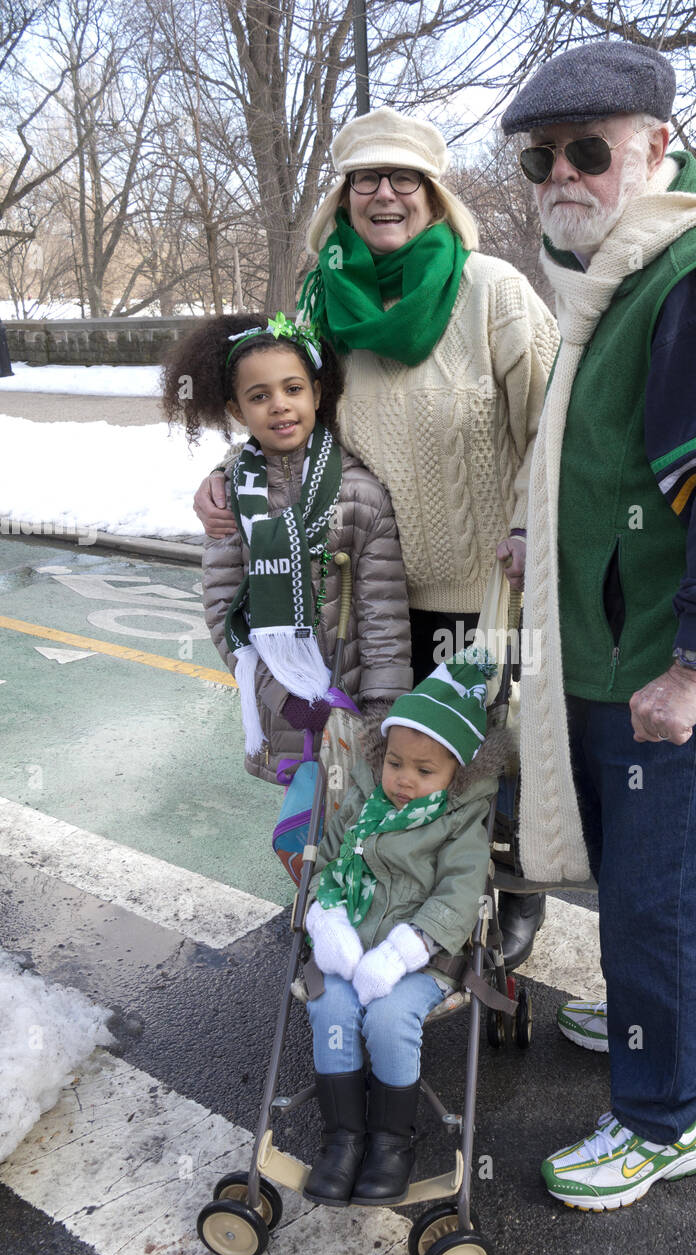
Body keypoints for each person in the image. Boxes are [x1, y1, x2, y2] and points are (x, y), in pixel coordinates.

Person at [500, 39, 696, 1210]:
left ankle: (663, 1115)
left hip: (665, 668)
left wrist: (694, 665)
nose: (562, 176)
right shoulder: (621, 278)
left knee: (667, 895)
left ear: (656, 151)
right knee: (646, 883)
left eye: (590, 150)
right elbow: (615, 466)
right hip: (619, 649)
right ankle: (653, 1026)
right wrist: (548, 539)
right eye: (542, 158)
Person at [193, 108, 560, 966]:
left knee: (496, 763)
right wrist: (225, 476)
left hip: (494, 598)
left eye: (404, 178)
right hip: (374, 599)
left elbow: (557, 425)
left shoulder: (493, 292)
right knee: (390, 771)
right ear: (343, 198)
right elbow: (284, 414)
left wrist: (524, 525)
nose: (384, 194)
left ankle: (509, 893)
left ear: (434, 197)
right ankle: (387, 907)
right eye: (366, 179)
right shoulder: (322, 306)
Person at [162, 312, 412, 782]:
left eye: (293, 389)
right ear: (237, 411)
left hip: (356, 708)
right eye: (259, 396)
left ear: (317, 393)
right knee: (304, 840)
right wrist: (288, 701)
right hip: (283, 715)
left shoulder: (360, 493)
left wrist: (382, 714)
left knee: (356, 837)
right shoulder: (231, 498)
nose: (279, 405)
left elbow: (385, 615)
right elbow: (224, 613)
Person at [301, 649, 507, 1206]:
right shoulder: (363, 806)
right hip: (349, 948)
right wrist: (329, 922)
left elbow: (458, 897)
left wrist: (398, 953)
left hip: (422, 958)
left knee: (391, 1018)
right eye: (395, 763)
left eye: (424, 771)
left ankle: (393, 1143)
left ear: (456, 773)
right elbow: (325, 864)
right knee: (332, 1008)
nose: (403, 781)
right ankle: (343, 1139)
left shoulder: (460, 824)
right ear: (381, 755)